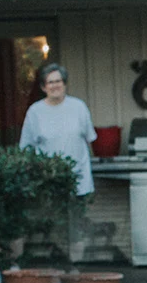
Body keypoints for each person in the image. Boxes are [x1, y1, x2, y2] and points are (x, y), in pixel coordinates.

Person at [19, 63, 96, 195]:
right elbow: (26, 148)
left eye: (58, 81)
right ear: (44, 87)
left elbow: (90, 139)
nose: (55, 86)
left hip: (79, 183)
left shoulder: (79, 107)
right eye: (50, 82)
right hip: (48, 184)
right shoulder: (35, 112)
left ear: (64, 84)